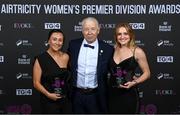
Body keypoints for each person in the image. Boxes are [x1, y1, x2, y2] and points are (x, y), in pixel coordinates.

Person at [67, 17, 114, 114]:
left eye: (92, 29)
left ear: (98, 30)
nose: (89, 32)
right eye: (86, 29)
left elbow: (115, 68)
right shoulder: (73, 45)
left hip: (96, 95)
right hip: (76, 95)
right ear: (82, 30)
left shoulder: (108, 49)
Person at [108, 23, 150, 114]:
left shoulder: (137, 51)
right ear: (116, 36)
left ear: (131, 35)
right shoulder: (112, 49)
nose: (122, 37)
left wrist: (134, 82)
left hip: (129, 94)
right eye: (119, 34)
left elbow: (147, 73)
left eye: (125, 33)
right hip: (112, 94)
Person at [33, 29, 70, 113]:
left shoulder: (66, 57)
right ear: (48, 41)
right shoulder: (40, 59)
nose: (57, 42)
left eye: (60, 40)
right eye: (54, 39)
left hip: (65, 99)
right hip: (49, 101)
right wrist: (48, 95)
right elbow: (36, 83)